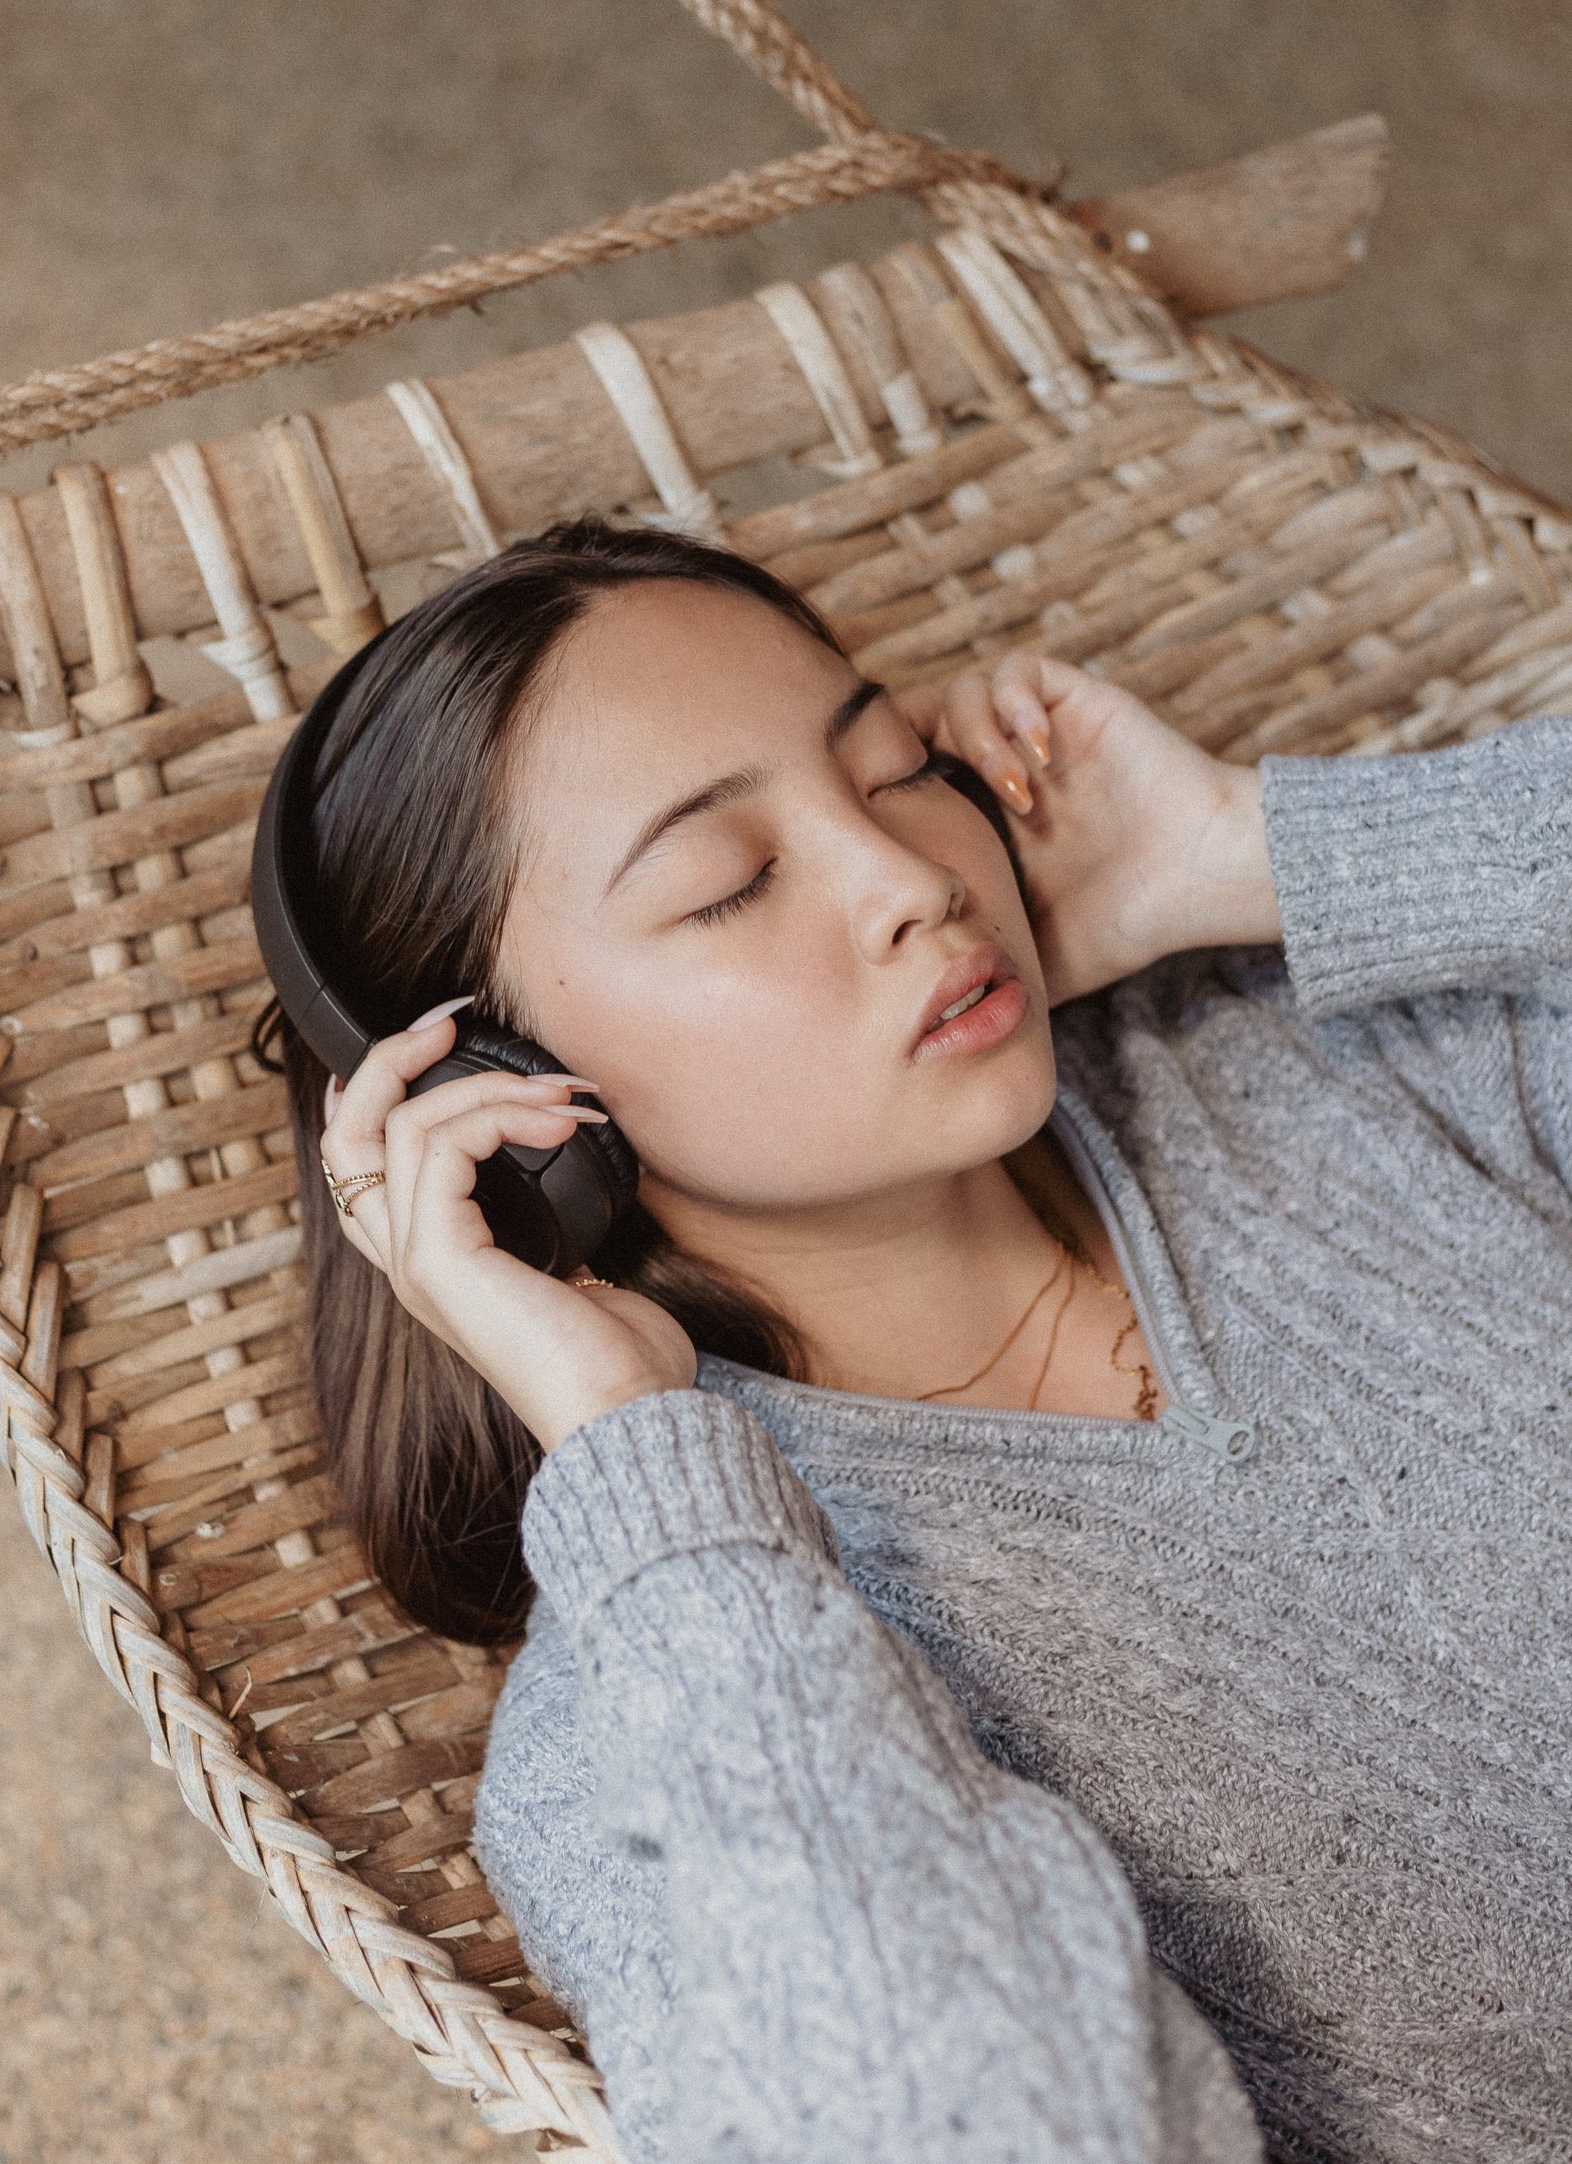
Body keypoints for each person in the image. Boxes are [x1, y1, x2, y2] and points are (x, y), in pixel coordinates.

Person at [276, 516, 1570, 2164]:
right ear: (500, 1097)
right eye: (727, 885)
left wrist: (1261, 851)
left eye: (895, 769)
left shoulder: (1310, 1051)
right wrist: (635, 1463)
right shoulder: (658, 1703)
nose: (915, 878)